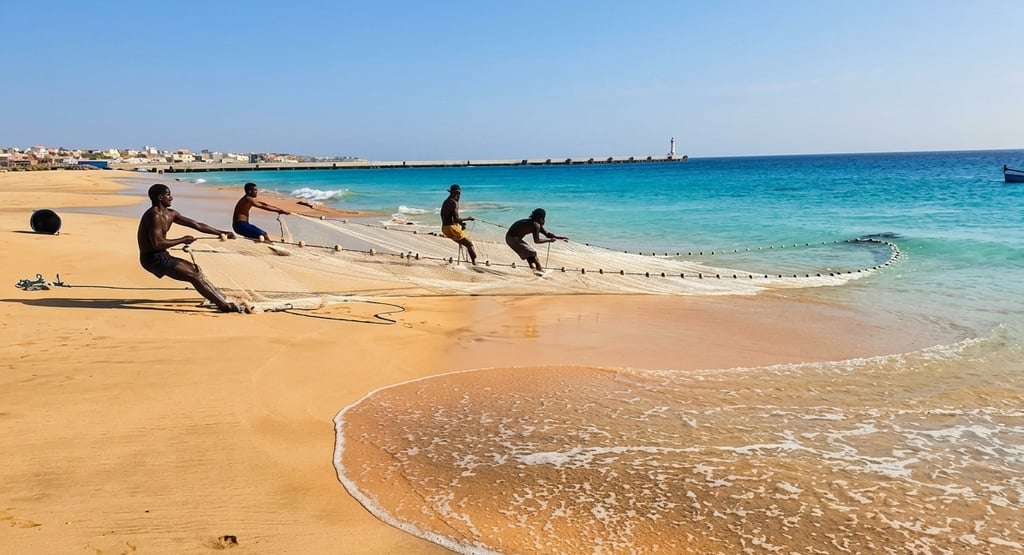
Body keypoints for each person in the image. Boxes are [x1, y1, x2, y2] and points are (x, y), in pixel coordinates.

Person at [137, 183, 242, 313]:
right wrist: (183, 240)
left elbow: (197, 225)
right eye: (168, 194)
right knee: (193, 276)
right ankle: (224, 306)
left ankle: (217, 297)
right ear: (159, 197)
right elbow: (157, 243)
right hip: (152, 259)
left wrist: (221, 232)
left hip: (162, 255)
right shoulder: (154, 215)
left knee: (196, 270)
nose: (171, 198)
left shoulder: (171, 214)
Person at [505, 208, 568, 272]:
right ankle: (539, 271)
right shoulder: (536, 225)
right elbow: (537, 241)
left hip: (512, 238)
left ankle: (533, 269)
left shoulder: (536, 223)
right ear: (541, 218)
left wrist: (559, 237)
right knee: (532, 253)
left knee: (529, 253)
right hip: (512, 239)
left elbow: (547, 234)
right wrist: (549, 240)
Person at [440, 184, 477, 264]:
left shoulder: (446, 201)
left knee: (463, 241)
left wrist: (461, 223)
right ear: (457, 193)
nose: (459, 196)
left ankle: (471, 260)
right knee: (469, 244)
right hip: (451, 228)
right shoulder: (454, 202)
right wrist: (468, 218)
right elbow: (456, 219)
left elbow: (450, 217)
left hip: (444, 228)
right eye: (459, 193)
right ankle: (475, 262)